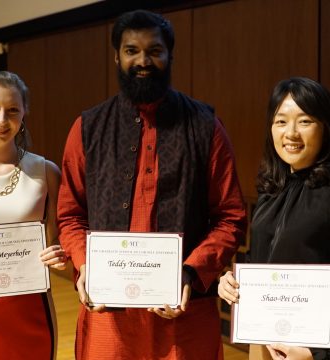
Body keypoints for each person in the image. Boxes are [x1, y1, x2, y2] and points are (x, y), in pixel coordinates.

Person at [57, 9, 247, 360]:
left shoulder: (205, 127)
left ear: (170, 55)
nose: (143, 61)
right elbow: (70, 215)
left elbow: (231, 216)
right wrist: (85, 267)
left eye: (154, 51)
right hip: (108, 318)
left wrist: (190, 273)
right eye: (131, 50)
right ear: (116, 56)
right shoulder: (87, 128)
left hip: (183, 313)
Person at [218, 77, 330, 360]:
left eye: (304, 121)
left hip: (311, 349)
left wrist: (317, 352)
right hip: (264, 339)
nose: (291, 133)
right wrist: (232, 282)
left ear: (325, 127)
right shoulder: (271, 189)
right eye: (281, 121)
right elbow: (262, 260)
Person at [0, 71, 67, 359]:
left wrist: (60, 254)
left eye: (12, 110)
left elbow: (62, 239)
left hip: (30, 310)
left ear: (24, 113)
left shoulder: (46, 172)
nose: (2, 120)